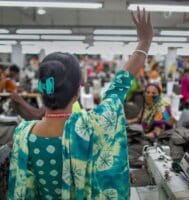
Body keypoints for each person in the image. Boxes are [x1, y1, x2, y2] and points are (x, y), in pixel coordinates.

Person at [8, 7, 153, 199]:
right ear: (77, 92)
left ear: (42, 92)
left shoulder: (23, 134)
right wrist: (144, 41)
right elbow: (118, 87)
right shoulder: (92, 126)